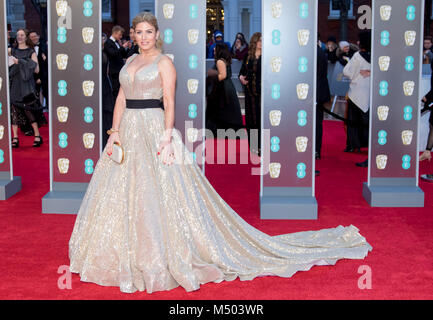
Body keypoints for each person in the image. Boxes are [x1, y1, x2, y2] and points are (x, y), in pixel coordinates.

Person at [68, 12, 372, 294]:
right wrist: (114, 132)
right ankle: (124, 251)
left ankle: (160, 252)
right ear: (133, 35)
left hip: (152, 127)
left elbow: (170, 102)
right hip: (127, 131)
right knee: (123, 190)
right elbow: (121, 97)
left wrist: (166, 136)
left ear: (157, 34)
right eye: (139, 32)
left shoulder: (164, 62)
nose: (144, 36)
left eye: (149, 32)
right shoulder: (130, 61)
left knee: (158, 191)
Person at [9, 29, 43, 148]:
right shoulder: (11, 50)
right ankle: (15, 137)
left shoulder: (30, 52)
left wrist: (21, 62)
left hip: (26, 84)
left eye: (22, 35)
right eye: (17, 35)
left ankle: (37, 135)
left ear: (26, 37)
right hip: (14, 83)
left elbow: (37, 69)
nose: (19, 37)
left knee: (27, 109)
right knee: (14, 110)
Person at [343, 31, 371, 167]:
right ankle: (368, 145)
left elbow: (347, 72)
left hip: (357, 92)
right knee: (367, 121)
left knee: (353, 121)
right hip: (371, 93)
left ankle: (353, 145)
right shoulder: (377, 56)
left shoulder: (357, 56)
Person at [206, 43, 244, 135]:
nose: (214, 51)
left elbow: (223, 75)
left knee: (222, 110)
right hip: (227, 87)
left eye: (215, 50)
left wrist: (211, 77)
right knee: (229, 110)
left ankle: (220, 131)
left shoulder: (220, 61)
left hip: (223, 88)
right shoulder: (225, 60)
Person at [239, 32, 261, 155]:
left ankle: (262, 146)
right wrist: (241, 78)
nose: (261, 43)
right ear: (255, 42)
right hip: (250, 93)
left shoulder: (267, 56)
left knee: (261, 119)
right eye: (259, 40)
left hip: (262, 94)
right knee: (251, 120)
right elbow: (241, 73)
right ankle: (254, 147)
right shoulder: (248, 56)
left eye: (263, 40)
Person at [104, 25, 129, 99]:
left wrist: (123, 47)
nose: (121, 36)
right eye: (120, 34)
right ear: (115, 33)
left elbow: (123, 55)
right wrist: (122, 47)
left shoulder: (117, 43)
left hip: (120, 70)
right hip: (114, 71)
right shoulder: (108, 43)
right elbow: (113, 54)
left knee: (120, 89)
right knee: (115, 90)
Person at [316, 41, 331, 160]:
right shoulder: (320, 52)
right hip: (319, 92)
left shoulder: (314, 53)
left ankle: (315, 150)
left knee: (315, 123)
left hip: (315, 94)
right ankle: (316, 150)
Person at [101, 33, 115, 148]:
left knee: (106, 114)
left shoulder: (103, 53)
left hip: (104, 85)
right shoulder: (100, 54)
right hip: (102, 86)